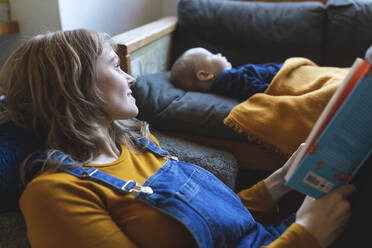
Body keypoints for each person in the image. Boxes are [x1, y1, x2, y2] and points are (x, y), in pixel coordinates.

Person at [0, 29, 356, 248]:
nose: (131, 79)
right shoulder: (55, 194)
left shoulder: (136, 144)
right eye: (114, 65)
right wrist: (306, 236)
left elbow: (218, 224)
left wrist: (276, 184)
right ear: (73, 84)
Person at [170, 47, 283, 100]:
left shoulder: (228, 82)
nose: (219, 53)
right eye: (212, 55)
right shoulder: (232, 80)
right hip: (284, 75)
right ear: (204, 75)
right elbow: (267, 91)